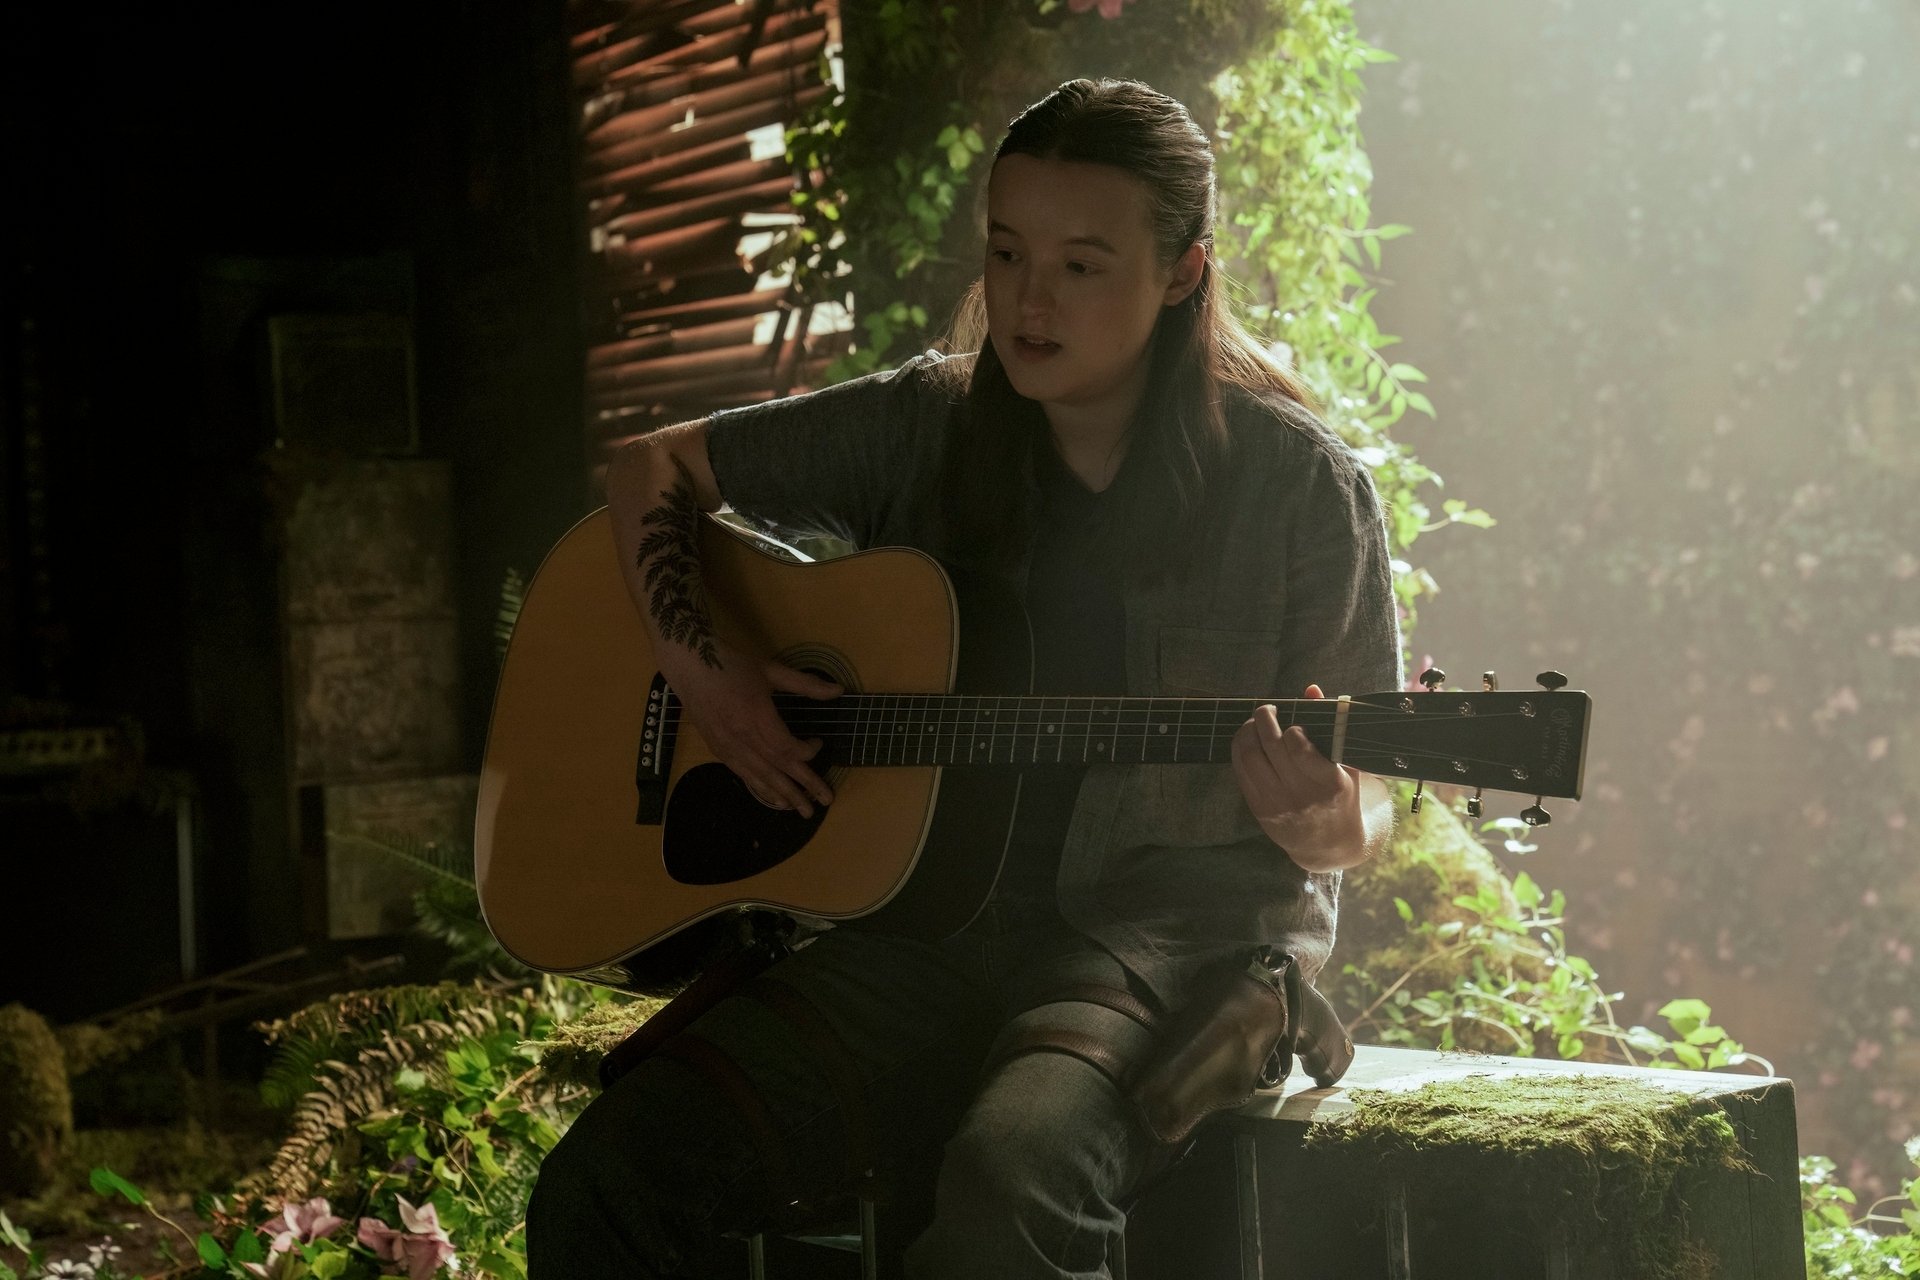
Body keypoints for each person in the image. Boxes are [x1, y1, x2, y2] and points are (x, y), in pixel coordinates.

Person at [527, 78, 1400, 1279]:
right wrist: (711, 671)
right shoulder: (924, 424)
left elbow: (1369, 802)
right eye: (1006, 250)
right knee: (612, 1175)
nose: (1028, 299)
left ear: (1185, 271)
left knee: (1015, 1177)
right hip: (922, 937)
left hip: (1159, 946)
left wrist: (1321, 815)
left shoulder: (1300, 489)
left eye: (1082, 265)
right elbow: (650, 472)